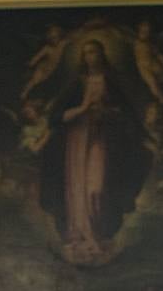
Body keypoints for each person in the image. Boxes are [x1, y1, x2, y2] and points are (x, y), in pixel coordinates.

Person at [39, 39, 151, 265]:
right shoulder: (77, 84)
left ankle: (98, 235)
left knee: (96, 188)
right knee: (77, 189)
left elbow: (126, 115)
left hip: (102, 139)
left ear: (102, 55)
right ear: (83, 58)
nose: (92, 56)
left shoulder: (111, 83)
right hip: (77, 140)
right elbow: (57, 117)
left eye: (95, 52)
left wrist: (110, 113)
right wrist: (82, 109)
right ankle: (79, 236)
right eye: (87, 52)